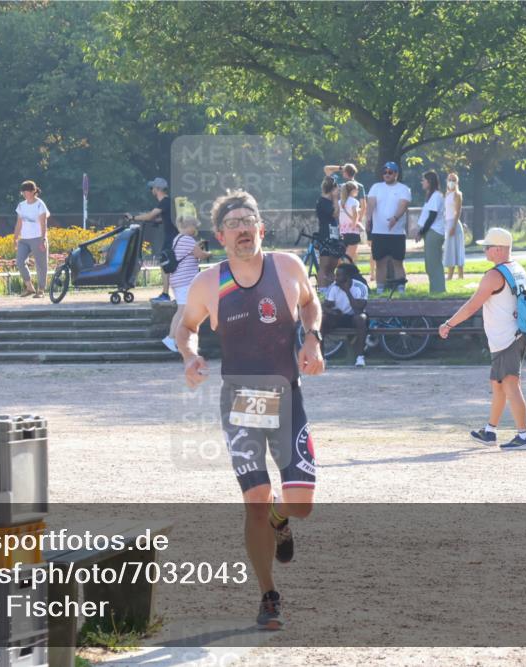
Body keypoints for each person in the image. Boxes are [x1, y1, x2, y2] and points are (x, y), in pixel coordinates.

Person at [175, 190, 324, 631]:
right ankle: (268, 594)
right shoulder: (210, 283)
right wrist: (190, 355)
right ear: (220, 236)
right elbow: (185, 325)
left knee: (301, 505)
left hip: (287, 395)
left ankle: (282, 517)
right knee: (255, 499)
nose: (242, 229)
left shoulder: (287, 268)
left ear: (261, 228)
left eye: (248, 221)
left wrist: (312, 337)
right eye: (233, 224)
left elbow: (310, 302)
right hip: (242, 401)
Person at [438, 228, 526, 451]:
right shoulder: (518, 268)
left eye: (488, 247)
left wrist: (449, 324)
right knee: (498, 384)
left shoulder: (494, 275)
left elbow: (472, 305)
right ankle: (490, 431)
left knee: (510, 384)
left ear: (499, 249)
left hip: (506, 338)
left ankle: (524, 436)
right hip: (517, 335)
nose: (485, 250)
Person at [163, 217, 212, 352]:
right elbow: (200, 255)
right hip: (184, 281)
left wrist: (197, 245)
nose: (196, 230)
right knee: (182, 310)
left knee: (185, 310)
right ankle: (171, 338)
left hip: (178, 280)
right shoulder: (187, 240)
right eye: (195, 227)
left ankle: (181, 340)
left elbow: (190, 252)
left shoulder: (178, 239)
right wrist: (209, 253)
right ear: (189, 226)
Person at [126, 177, 176, 302]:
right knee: (170, 264)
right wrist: (157, 221)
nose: (151, 190)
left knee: (165, 264)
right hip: (174, 236)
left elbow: (150, 215)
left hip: (171, 238)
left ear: (158, 189)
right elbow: (164, 218)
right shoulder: (168, 202)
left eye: (152, 188)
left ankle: (165, 294)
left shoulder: (164, 202)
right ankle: (171, 293)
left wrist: (133, 218)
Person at [367, 162, 411, 293]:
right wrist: (368, 218)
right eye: (385, 172)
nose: (387, 174)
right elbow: (371, 203)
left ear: (396, 174)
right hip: (378, 232)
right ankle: (380, 290)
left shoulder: (403, 189)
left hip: (397, 233)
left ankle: (401, 290)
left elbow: (403, 205)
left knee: (398, 262)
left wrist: (395, 218)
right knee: (380, 262)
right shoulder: (376, 187)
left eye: (390, 172)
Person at [322, 263, 370, 367]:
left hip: (353, 317)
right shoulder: (333, 287)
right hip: (338, 317)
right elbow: (325, 306)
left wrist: (347, 291)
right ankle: (321, 357)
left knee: (361, 318)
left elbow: (358, 309)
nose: (336, 278)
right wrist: (332, 312)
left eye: (339, 275)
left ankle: (360, 357)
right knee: (322, 320)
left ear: (347, 276)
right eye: (336, 275)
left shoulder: (360, 287)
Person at [14, 180, 50, 298]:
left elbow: (44, 223)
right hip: (24, 239)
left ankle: (41, 290)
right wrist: (15, 238)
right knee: (19, 262)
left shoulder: (40, 204)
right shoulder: (21, 205)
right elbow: (19, 223)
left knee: (41, 265)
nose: (25, 194)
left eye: (27, 191)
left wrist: (43, 239)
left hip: (37, 237)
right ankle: (29, 287)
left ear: (33, 191)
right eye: (23, 191)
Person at [415, 171, 446, 294]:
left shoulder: (436, 196)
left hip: (434, 232)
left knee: (433, 263)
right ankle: (434, 290)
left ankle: (438, 290)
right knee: (430, 263)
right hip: (431, 232)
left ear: (429, 182)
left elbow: (432, 216)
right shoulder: (431, 196)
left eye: (424, 180)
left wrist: (421, 231)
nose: (422, 182)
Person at [314, 176, 344, 289]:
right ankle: (322, 289)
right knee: (325, 265)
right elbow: (335, 214)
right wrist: (335, 198)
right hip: (325, 236)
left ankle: (330, 289)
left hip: (334, 236)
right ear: (332, 189)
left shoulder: (330, 202)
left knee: (333, 265)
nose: (339, 192)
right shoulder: (323, 201)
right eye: (337, 189)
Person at [443, 172, 466, 280]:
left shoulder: (458, 195)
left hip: (454, 224)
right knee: (449, 249)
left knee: (456, 249)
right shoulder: (446, 194)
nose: (451, 182)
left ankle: (459, 276)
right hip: (447, 223)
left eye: (453, 180)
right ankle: (450, 276)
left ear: (457, 182)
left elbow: (458, 211)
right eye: (449, 180)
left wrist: (453, 226)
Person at [338, 181, 365, 262]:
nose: (358, 191)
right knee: (349, 258)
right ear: (352, 190)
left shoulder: (339, 202)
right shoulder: (354, 201)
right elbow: (355, 214)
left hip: (342, 232)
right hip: (352, 232)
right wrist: (354, 225)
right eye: (357, 189)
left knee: (342, 256)